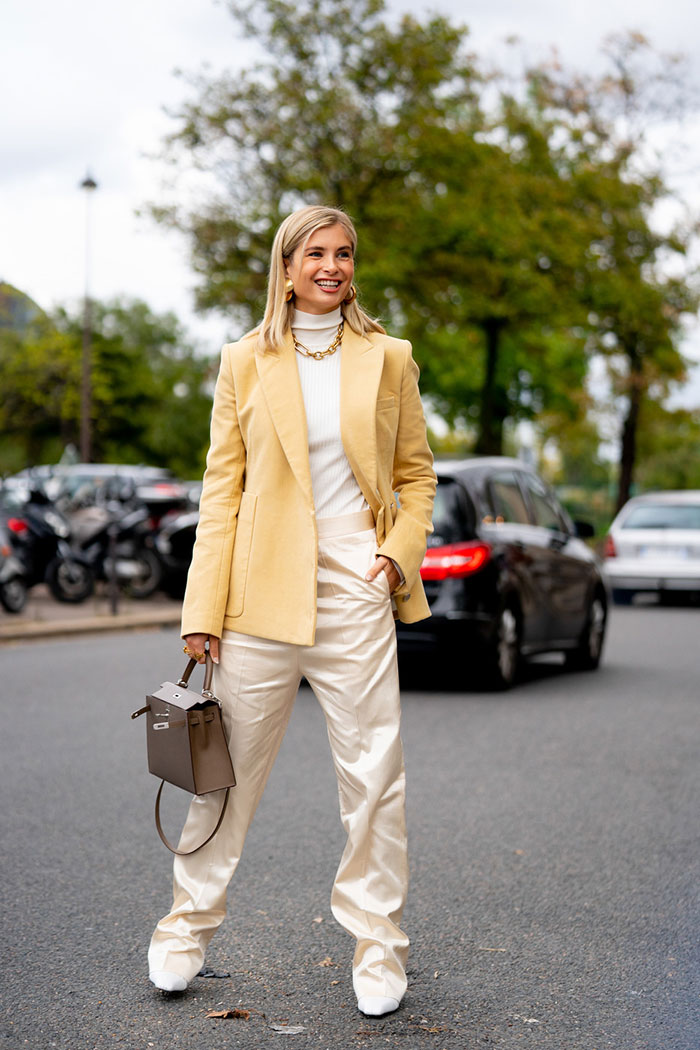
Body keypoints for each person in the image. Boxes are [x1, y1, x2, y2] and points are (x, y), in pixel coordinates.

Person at [147, 204, 436, 1018]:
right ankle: (185, 928)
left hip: (356, 582)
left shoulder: (390, 358)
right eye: (317, 253)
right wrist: (202, 608)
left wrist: (392, 558)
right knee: (223, 775)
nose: (333, 266)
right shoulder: (245, 359)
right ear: (286, 266)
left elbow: (418, 477)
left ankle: (379, 945)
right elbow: (221, 491)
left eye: (345, 254)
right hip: (257, 593)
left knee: (376, 777)